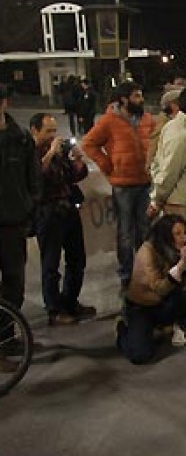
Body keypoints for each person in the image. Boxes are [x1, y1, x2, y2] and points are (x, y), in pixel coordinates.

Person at [83, 82, 157, 292]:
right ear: (124, 99)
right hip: (123, 185)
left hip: (145, 182)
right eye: (136, 96)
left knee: (145, 230)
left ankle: (145, 272)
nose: (141, 99)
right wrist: (108, 165)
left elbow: (156, 141)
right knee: (125, 233)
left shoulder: (147, 119)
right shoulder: (108, 121)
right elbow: (88, 144)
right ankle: (126, 275)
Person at [30, 113, 95, 325]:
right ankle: (54, 310)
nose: (52, 135)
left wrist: (77, 160)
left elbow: (74, 177)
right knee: (51, 264)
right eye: (48, 131)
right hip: (47, 213)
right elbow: (36, 177)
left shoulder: (59, 153)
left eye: (54, 131)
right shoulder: (30, 153)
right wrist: (50, 152)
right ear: (34, 131)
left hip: (68, 209)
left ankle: (70, 301)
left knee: (77, 259)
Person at [117, 214, 186, 364]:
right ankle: (123, 329)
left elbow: (184, 285)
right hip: (141, 306)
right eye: (177, 234)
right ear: (165, 235)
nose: (183, 238)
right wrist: (181, 265)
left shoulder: (175, 250)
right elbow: (160, 289)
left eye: (185, 233)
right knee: (140, 356)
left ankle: (169, 324)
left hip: (162, 301)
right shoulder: (147, 252)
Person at [0, 85, 40, 310]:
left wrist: (29, 210)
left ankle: (8, 336)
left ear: (4, 103)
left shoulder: (21, 138)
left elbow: (33, 180)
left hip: (13, 224)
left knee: (14, 283)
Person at [148, 87, 186, 227]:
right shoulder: (181, 135)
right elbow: (170, 171)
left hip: (183, 201)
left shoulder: (176, 128)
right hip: (181, 204)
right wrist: (157, 200)